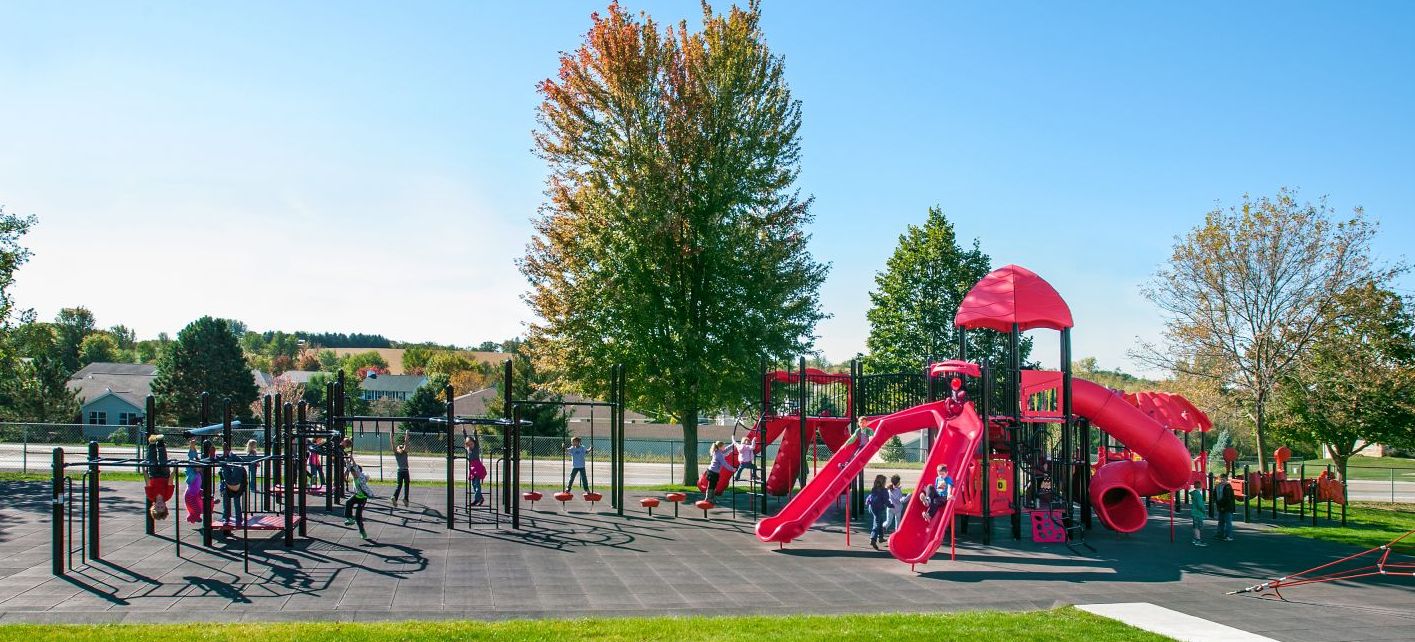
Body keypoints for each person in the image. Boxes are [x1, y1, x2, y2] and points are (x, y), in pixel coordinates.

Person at [144, 434, 174, 521]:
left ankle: (152, 444)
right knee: (163, 462)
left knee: (152, 462)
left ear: (153, 505)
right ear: (165, 506)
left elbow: (148, 482)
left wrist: (143, 469)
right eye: (161, 507)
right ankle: (160, 443)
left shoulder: (150, 496)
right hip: (165, 476)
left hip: (153, 476)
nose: (160, 504)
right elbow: (170, 482)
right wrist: (174, 470)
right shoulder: (167, 496)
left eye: (157, 506)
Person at [344, 462, 374, 539]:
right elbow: (350, 468)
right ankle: (349, 518)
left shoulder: (361, 477)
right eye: (353, 473)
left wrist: (352, 460)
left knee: (358, 516)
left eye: (355, 473)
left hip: (363, 498)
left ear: (359, 472)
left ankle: (362, 531)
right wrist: (348, 460)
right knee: (348, 502)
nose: (354, 474)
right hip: (357, 495)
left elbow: (355, 467)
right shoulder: (354, 477)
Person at [219, 451, 249, 526]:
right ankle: (227, 518)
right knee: (228, 503)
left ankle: (233, 518)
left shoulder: (237, 469)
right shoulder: (228, 471)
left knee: (235, 503)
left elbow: (244, 481)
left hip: (236, 487)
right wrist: (222, 489)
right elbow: (222, 480)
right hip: (229, 487)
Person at [865, 474, 891, 550]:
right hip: (878, 509)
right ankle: (873, 539)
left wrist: (868, 501)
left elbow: (871, 496)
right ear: (883, 482)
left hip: (872, 507)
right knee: (876, 523)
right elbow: (886, 500)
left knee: (880, 521)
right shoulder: (884, 491)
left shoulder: (874, 488)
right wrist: (891, 505)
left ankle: (881, 537)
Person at [183, 438, 204, 524]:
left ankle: (195, 516)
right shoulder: (191, 473)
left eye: (200, 466)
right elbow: (191, 458)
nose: (199, 468)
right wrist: (192, 446)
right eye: (197, 466)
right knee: (196, 508)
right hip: (190, 495)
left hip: (195, 494)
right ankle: (192, 518)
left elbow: (195, 457)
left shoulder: (199, 473)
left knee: (199, 507)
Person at [391, 432, 411, 507]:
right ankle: (405, 498)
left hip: (399, 471)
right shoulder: (404, 452)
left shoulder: (397, 453)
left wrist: (391, 437)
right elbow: (406, 443)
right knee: (406, 485)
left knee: (399, 485)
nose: (402, 447)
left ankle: (394, 497)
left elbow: (393, 445)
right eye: (401, 447)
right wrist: (407, 434)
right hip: (405, 471)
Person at [1214, 473, 1236, 541]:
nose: (1222, 481)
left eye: (1223, 480)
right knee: (1221, 521)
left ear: (1226, 480)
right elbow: (1214, 494)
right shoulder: (1218, 486)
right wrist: (1217, 502)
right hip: (1220, 506)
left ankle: (1229, 536)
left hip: (1227, 507)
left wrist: (1221, 504)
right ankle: (1219, 534)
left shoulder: (1228, 487)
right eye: (1221, 480)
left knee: (1228, 522)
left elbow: (1227, 498)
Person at [466, 433, 486, 506]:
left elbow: (476, 438)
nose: (470, 445)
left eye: (471, 444)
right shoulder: (468, 449)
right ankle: (480, 498)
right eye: (469, 444)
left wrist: (474, 430)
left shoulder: (476, 447)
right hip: (472, 468)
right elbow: (466, 437)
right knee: (473, 484)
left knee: (477, 484)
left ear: (474, 443)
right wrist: (463, 428)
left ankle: (477, 499)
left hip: (477, 467)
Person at [1189, 480, 1208, 547]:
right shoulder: (1198, 495)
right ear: (1200, 487)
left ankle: (1195, 538)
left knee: (1195, 526)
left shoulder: (1194, 493)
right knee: (1198, 527)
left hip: (1194, 512)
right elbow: (1200, 505)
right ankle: (1198, 540)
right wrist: (1203, 510)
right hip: (1198, 513)